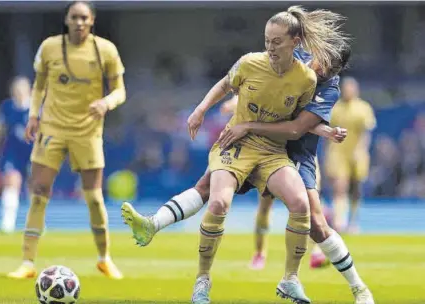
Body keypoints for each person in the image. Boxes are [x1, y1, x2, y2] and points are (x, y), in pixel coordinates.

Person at [123, 6, 349, 304]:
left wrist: (325, 132)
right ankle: (202, 280)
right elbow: (226, 84)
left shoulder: (307, 80)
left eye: (277, 41)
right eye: (267, 40)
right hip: (237, 145)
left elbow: (299, 122)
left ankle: (290, 279)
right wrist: (202, 109)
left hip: (273, 151)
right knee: (216, 201)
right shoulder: (250, 63)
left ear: (295, 42)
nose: (270, 47)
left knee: (299, 204)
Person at [218, 46, 374, 304]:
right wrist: (237, 102)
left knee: (317, 222)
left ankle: (358, 287)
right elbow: (262, 81)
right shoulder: (292, 58)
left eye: (332, 69)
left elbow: (298, 126)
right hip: (264, 147)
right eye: (324, 63)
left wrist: (325, 131)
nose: (324, 71)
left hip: (298, 153)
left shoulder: (328, 87)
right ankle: (259, 254)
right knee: (212, 189)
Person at [8, 1, 126, 280]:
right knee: (38, 192)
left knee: (94, 198)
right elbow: (38, 85)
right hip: (52, 128)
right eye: (74, 17)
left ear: (92, 20)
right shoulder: (49, 47)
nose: (79, 22)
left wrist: (106, 103)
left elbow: (120, 91)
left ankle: (104, 258)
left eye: (84, 17)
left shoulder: (105, 50)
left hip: (87, 131)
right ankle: (27, 261)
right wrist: (33, 115)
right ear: (67, 19)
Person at [324, 77, 376, 233]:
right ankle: (339, 221)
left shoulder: (363, 108)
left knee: (356, 189)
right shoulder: (335, 108)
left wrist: (361, 150)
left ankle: (353, 221)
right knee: (340, 186)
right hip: (337, 153)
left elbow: (366, 132)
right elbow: (327, 131)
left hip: (356, 154)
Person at [0, 76, 33, 233]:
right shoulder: (7, 107)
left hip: (33, 151)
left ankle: (36, 222)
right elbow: (0, 127)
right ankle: (8, 223)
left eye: (22, 90)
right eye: (16, 91)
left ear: (29, 91)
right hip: (13, 151)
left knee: (34, 185)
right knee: (11, 180)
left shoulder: (37, 107)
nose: (19, 94)